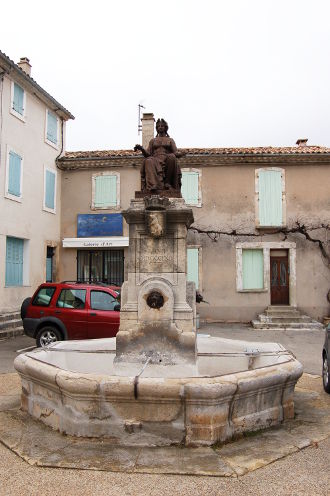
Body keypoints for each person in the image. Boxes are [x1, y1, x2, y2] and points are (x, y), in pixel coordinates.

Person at [134, 118, 185, 193]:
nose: (160, 127)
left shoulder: (170, 140)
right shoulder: (153, 141)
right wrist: (141, 149)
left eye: (162, 126)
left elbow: (175, 152)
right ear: (157, 128)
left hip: (167, 158)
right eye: (158, 126)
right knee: (148, 160)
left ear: (165, 128)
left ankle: (167, 183)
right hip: (155, 159)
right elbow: (147, 154)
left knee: (172, 157)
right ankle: (153, 185)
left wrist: (182, 153)